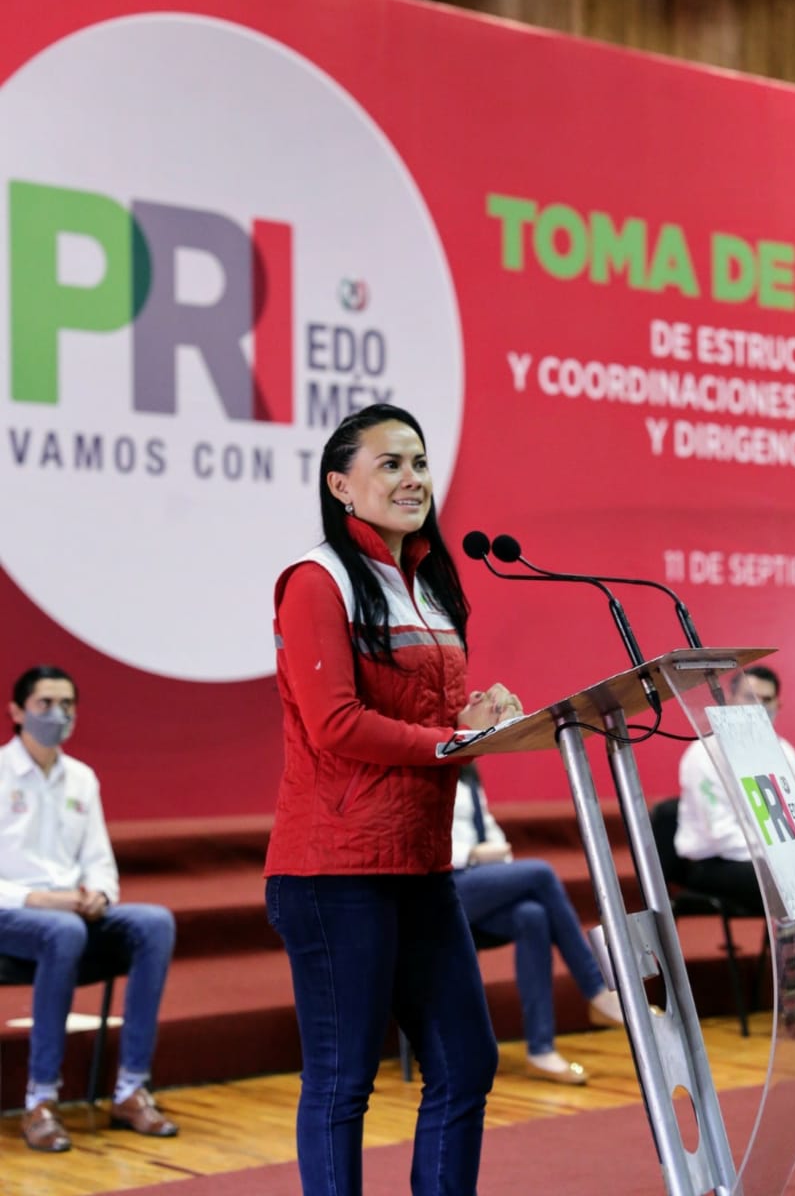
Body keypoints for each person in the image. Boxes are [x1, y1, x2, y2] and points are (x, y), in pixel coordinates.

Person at [264, 403, 522, 1196]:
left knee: (466, 1062)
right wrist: (450, 742)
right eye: (390, 464)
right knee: (343, 1082)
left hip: (420, 863)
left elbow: (422, 717)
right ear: (340, 486)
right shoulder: (318, 580)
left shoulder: (431, 584)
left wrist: (472, 719)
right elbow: (335, 724)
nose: (413, 479)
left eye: (419, 463)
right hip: (333, 869)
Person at [0, 665, 179, 1153]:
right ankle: (41, 1099)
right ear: (17, 711)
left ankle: (130, 1089)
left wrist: (98, 893)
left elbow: (100, 862)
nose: (57, 714)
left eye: (67, 705)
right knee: (63, 932)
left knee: (154, 923)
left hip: (70, 911)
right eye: (45, 704)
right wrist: (39, 900)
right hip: (16, 909)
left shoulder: (81, 778)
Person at [674, 663, 795, 1031]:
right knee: (793, 882)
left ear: (777, 706)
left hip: (775, 859)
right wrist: (783, 858)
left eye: (766, 700)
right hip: (717, 865)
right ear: (727, 698)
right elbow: (721, 834)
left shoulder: (783, 752)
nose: (756, 707)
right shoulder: (702, 755)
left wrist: (793, 856)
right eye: (748, 697)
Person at [451, 763, 623, 1085]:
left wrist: (497, 855)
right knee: (541, 873)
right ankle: (597, 989)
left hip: (480, 879)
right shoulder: (422, 765)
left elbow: (488, 827)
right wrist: (473, 853)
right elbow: (418, 837)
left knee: (532, 916)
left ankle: (541, 1049)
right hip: (445, 882)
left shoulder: (468, 771)